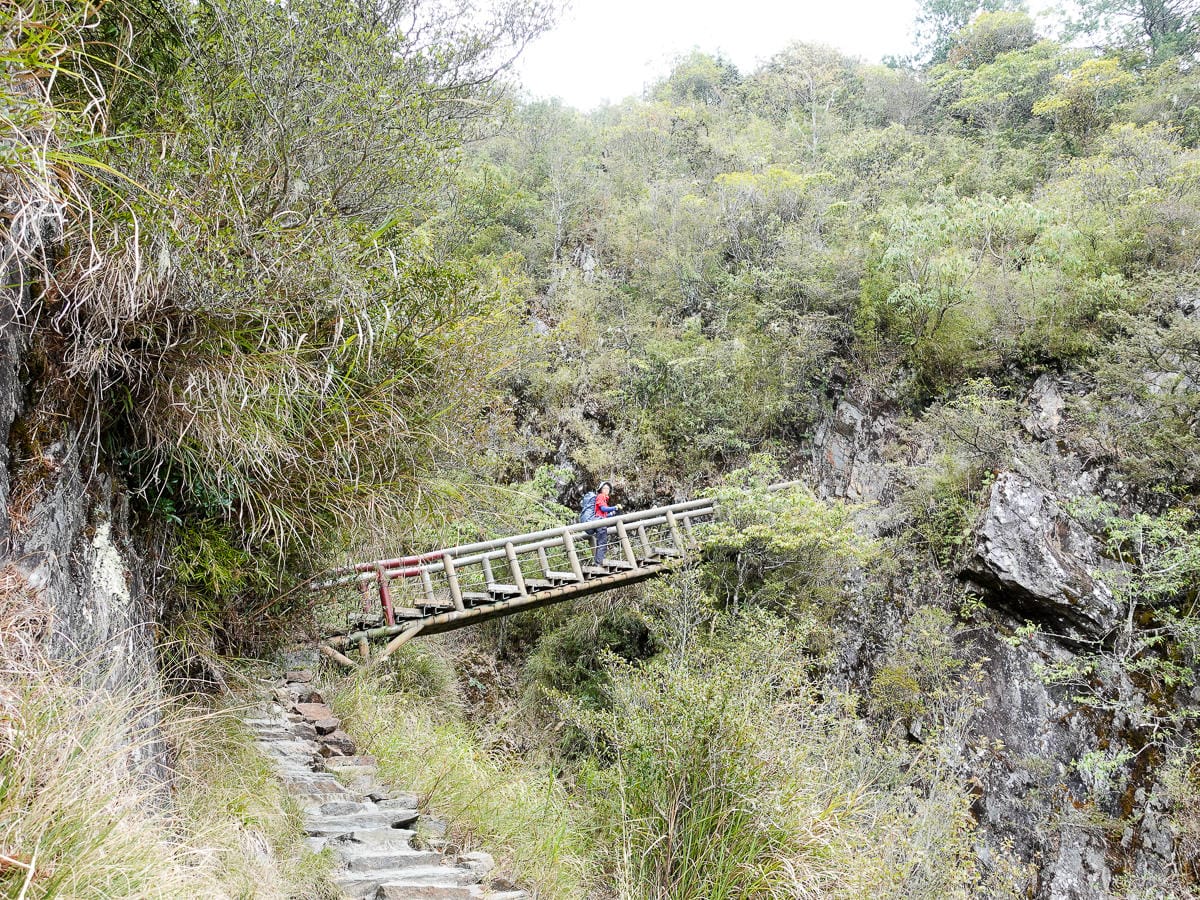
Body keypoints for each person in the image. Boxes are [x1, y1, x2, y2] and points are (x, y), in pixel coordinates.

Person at [591, 481, 620, 565]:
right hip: (600, 523)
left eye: (608, 488)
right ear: (601, 489)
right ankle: (600, 563)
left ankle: (598, 562)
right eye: (605, 488)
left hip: (601, 521)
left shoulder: (604, 498)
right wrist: (614, 507)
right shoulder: (600, 496)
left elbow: (604, 514)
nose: (607, 490)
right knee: (602, 543)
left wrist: (612, 514)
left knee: (601, 543)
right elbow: (603, 509)